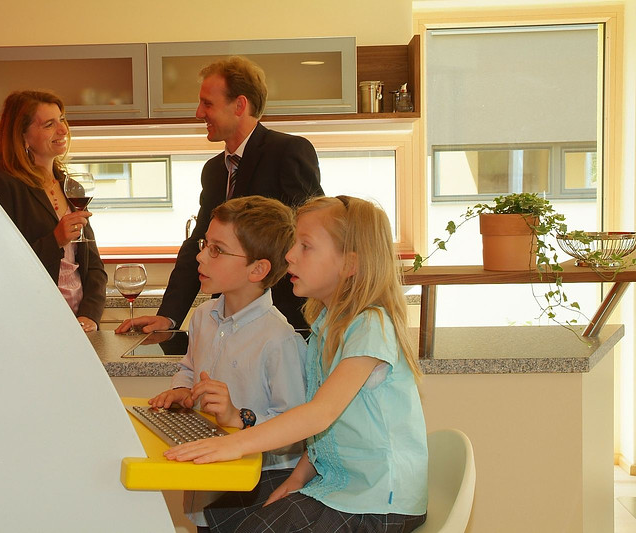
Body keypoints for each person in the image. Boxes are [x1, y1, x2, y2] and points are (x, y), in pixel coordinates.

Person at [165, 196, 428, 533]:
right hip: (335, 489)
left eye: (305, 246)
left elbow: (320, 414)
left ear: (350, 264)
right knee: (221, 516)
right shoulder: (325, 329)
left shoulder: (370, 325)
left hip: (377, 503)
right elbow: (325, 434)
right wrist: (298, 479)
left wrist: (232, 443)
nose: (289, 255)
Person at [116, 56, 322, 335]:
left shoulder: (287, 151)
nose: (198, 112)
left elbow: (312, 235)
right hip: (227, 322)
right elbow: (198, 243)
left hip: (283, 322)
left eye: (207, 103)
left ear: (239, 105)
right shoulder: (214, 170)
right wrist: (168, 316)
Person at [149, 195, 307, 531]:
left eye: (217, 250)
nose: (200, 255)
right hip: (207, 477)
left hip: (255, 489)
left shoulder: (279, 339)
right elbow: (189, 368)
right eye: (205, 244)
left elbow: (295, 431)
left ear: (257, 269)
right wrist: (182, 390)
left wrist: (239, 416)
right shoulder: (203, 316)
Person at [0, 90, 106, 332]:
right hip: (33, 322)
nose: (63, 130)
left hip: (78, 323)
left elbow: (93, 265)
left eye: (62, 120)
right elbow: (3, 266)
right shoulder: (2, 185)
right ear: (23, 136)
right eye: (49, 124)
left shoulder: (72, 187)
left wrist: (89, 316)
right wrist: (56, 240)